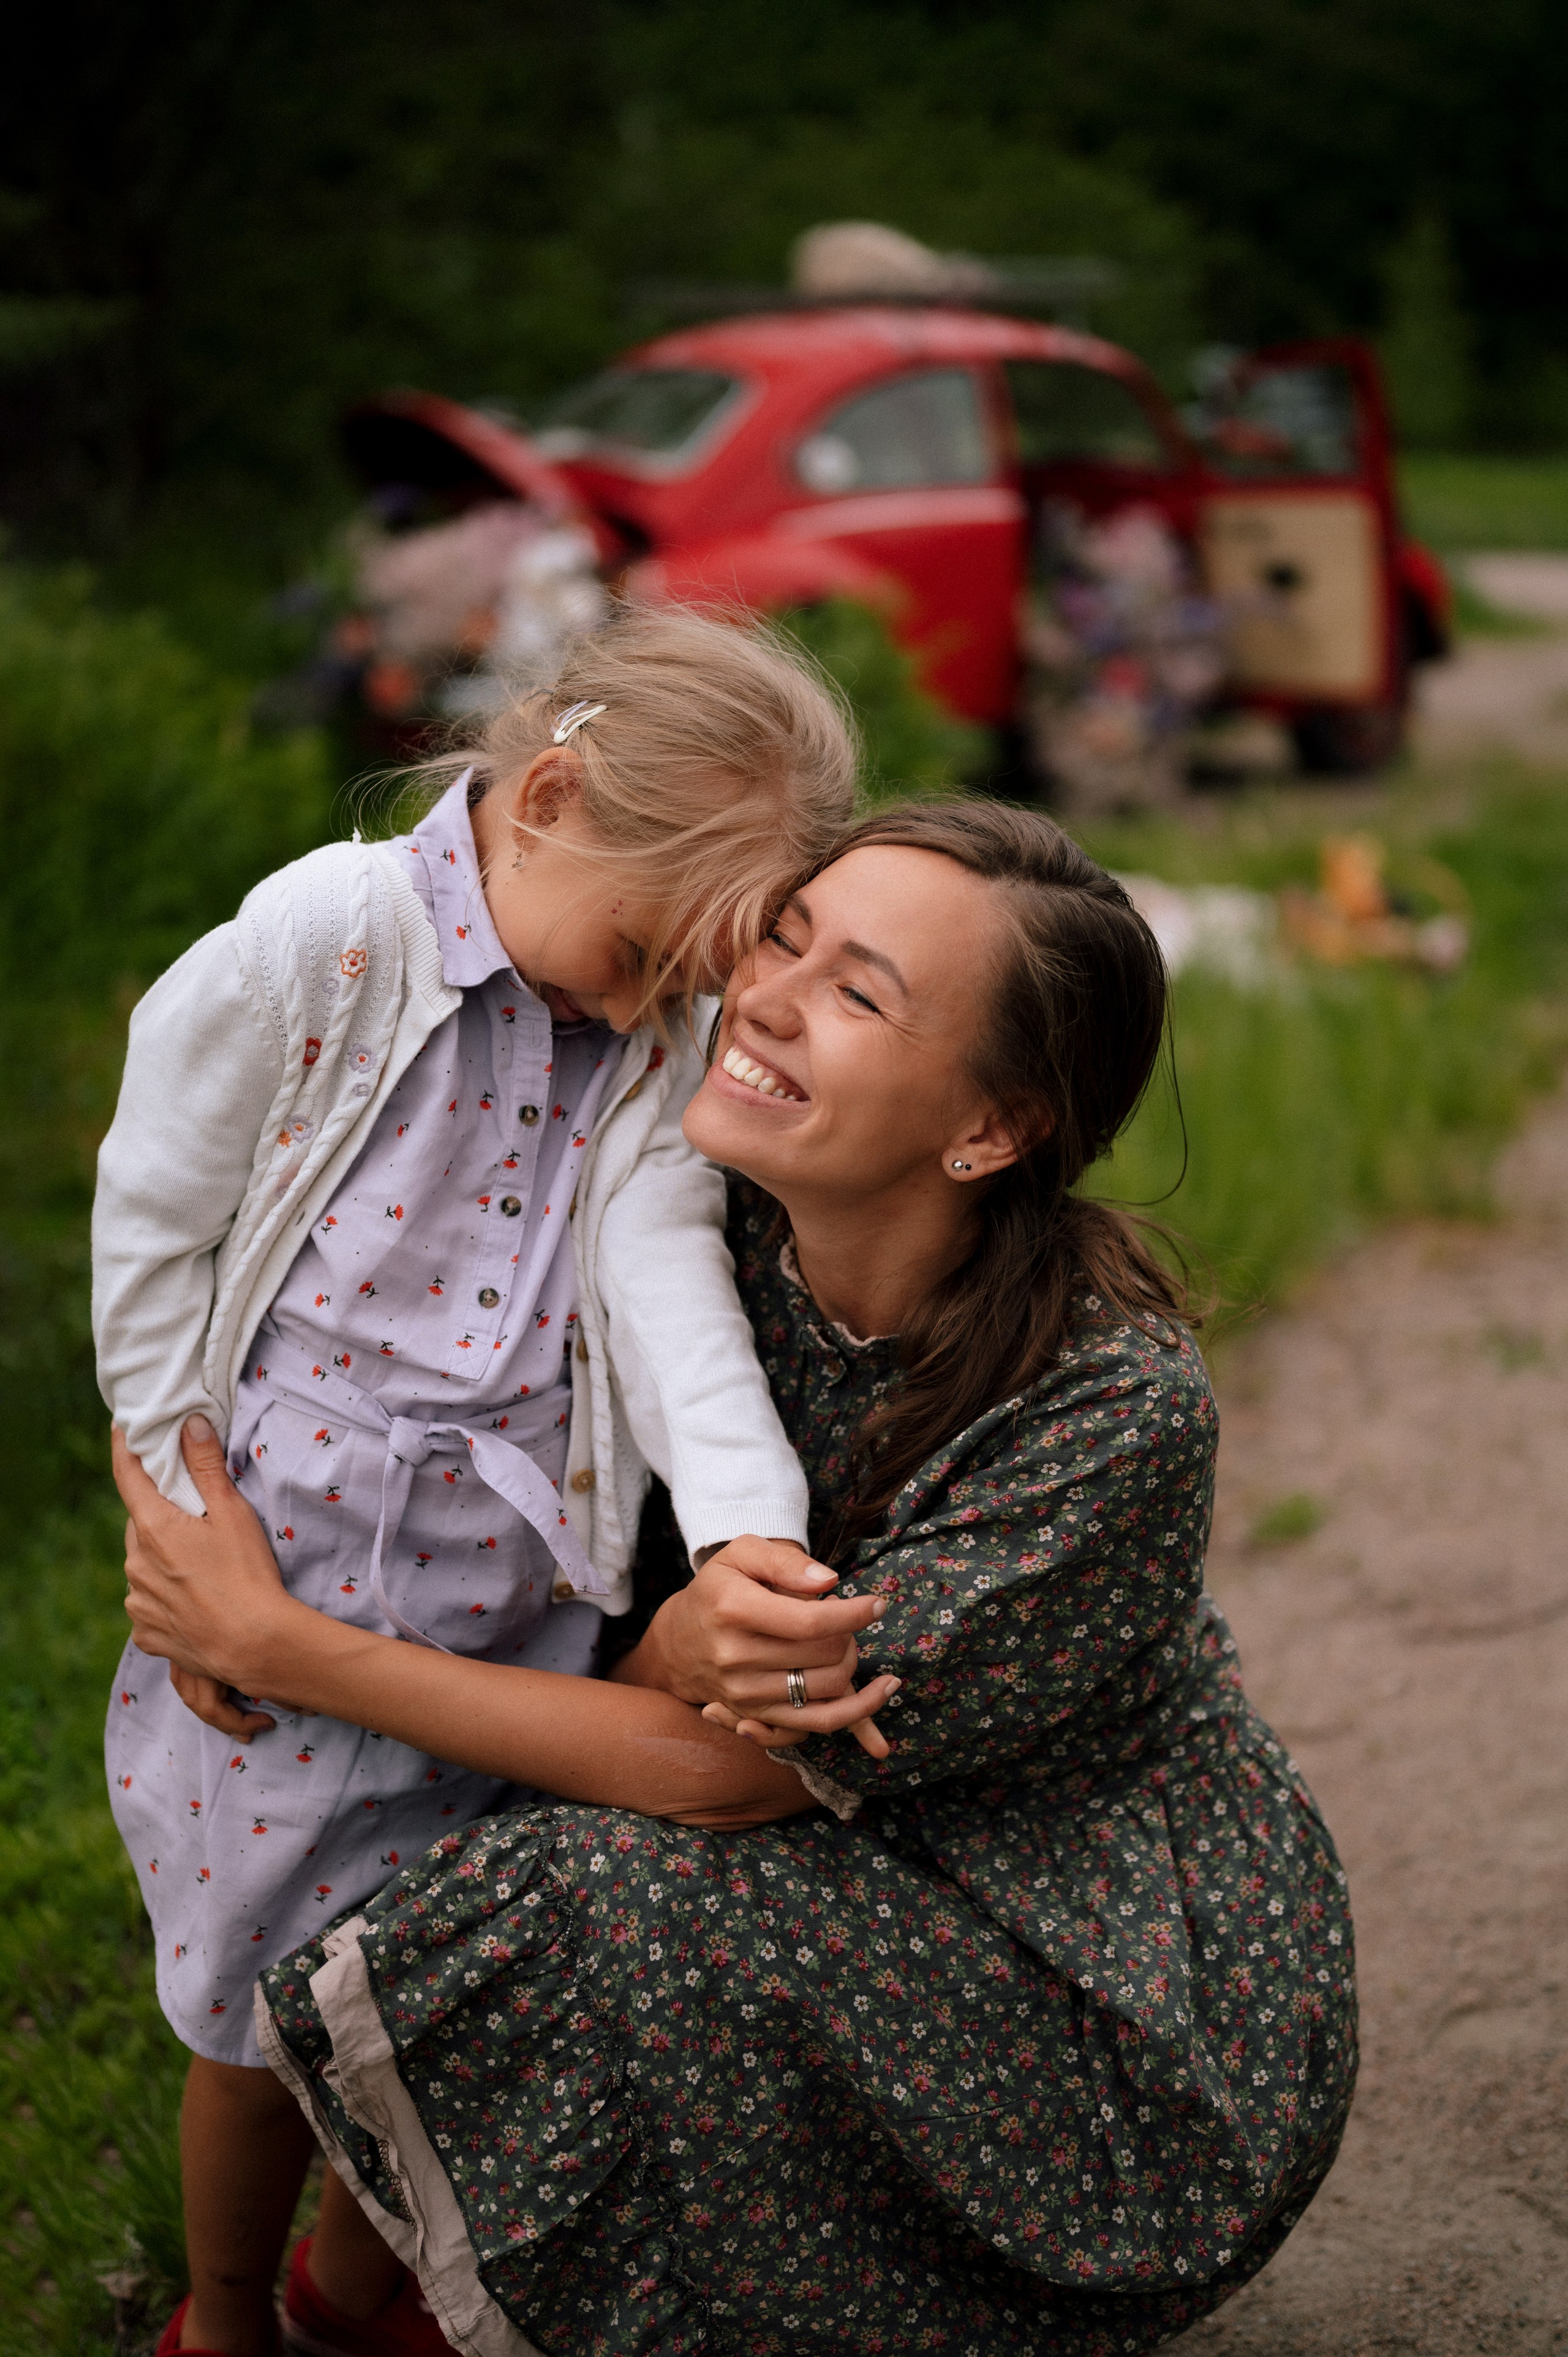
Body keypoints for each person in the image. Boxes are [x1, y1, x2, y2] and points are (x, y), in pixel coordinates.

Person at [118, 800, 1357, 2357]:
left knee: (579, 1889)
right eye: (784, 936)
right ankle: (359, 2301)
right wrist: (198, 1515)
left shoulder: (1111, 1407)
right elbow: (600, 1642)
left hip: (1082, 1989)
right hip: (823, 1863)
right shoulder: (685, 1228)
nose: (763, 997)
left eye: (858, 993)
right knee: (488, 1811)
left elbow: (728, 1774)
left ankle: (477, 2301)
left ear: (989, 1130)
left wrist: (279, 1642)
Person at [94, 605, 873, 2356]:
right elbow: (153, 1215)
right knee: (263, 2019)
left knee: (437, 1998)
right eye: (647, 949)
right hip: (283, 1564)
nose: (655, 1001)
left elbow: (671, 1300)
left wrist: (749, 1535)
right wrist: (174, 1490)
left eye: (688, 980)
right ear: (547, 803)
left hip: (505, 1597)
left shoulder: (652, 1043)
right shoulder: (324, 943)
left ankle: (356, 2293)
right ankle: (226, 2314)